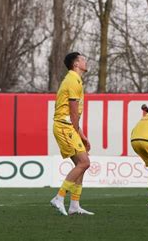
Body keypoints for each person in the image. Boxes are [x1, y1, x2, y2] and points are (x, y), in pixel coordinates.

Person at [50, 52, 94, 216]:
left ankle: (74, 205)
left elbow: (74, 115)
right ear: (76, 64)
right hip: (64, 127)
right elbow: (73, 111)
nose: (86, 61)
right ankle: (59, 197)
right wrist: (78, 133)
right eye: (83, 59)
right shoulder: (73, 80)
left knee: (82, 164)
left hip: (67, 126)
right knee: (84, 163)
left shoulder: (75, 80)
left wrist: (81, 135)